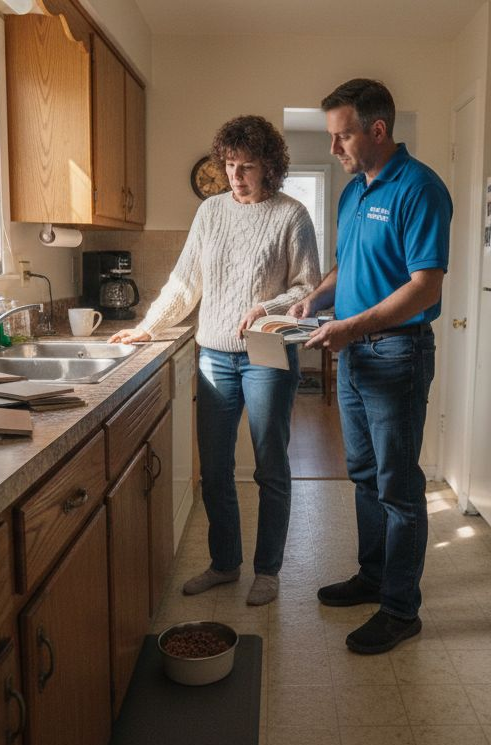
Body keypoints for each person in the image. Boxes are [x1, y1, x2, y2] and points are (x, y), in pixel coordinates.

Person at [110, 115, 319, 607]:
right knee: (216, 468)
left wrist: (265, 307)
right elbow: (185, 282)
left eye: (247, 166)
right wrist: (149, 327)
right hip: (215, 357)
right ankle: (225, 563)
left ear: (270, 167)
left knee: (270, 465)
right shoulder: (210, 214)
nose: (236, 176)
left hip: (268, 354)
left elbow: (308, 288)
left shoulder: (292, 215)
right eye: (229, 165)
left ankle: (267, 571)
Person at [289, 78, 451, 654]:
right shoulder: (354, 191)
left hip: (397, 354)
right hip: (356, 353)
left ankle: (401, 609)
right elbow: (345, 267)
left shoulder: (420, 188)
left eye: (342, 136)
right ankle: (374, 575)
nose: (335, 149)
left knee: (399, 487)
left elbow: (424, 287)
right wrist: (317, 300)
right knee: (362, 475)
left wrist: (353, 327)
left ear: (377, 130)